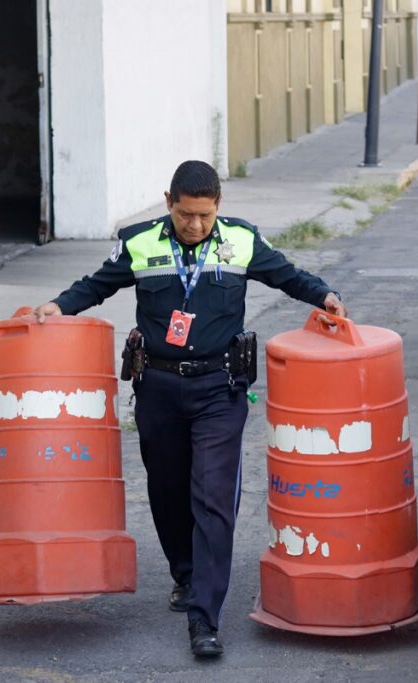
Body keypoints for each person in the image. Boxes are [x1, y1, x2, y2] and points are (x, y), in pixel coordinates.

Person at [32, 160, 345, 657]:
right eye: (184, 215)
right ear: (168, 203)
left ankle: (206, 616)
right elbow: (98, 283)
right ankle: (185, 573)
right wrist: (60, 305)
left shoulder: (240, 241)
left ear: (218, 205)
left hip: (220, 389)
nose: (195, 226)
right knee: (168, 489)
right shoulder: (140, 242)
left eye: (203, 215)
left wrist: (324, 294)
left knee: (213, 497)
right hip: (157, 387)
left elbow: (286, 275)